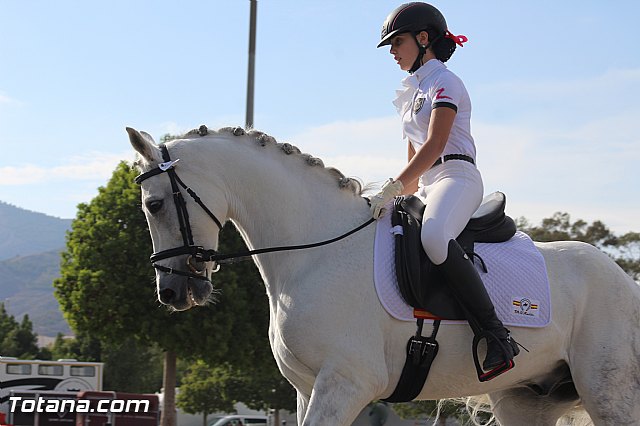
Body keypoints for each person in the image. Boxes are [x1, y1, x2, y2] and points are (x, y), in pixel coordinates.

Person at [369, 2, 519, 375]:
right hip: (429, 184)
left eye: (397, 42)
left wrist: (391, 188)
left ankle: (496, 335)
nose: (392, 52)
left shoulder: (445, 82)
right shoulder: (409, 95)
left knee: (435, 236)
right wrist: (396, 194)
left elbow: (435, 144)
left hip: (457, 176)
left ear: (424, 39)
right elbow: (413, 169)